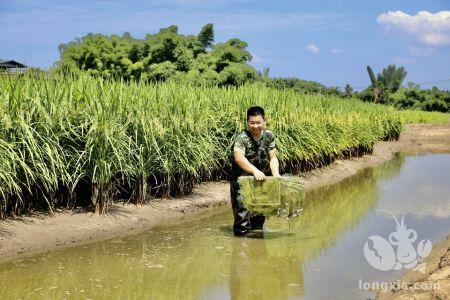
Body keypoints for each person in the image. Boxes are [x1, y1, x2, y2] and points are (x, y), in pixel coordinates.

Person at [229, 106, 281, 236]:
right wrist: (254, 171)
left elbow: (273, 157)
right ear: (247, 122)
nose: (255, 126)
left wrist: (276, 175)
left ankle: (257, 247)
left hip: (260, 181)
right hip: (241, 181)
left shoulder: (269, 136)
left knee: (259, 215)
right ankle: (241, 245)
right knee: (242, 217)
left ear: (264, 121)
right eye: (252, 123)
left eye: (258, 122)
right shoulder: (242, 138)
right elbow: (238, 158)